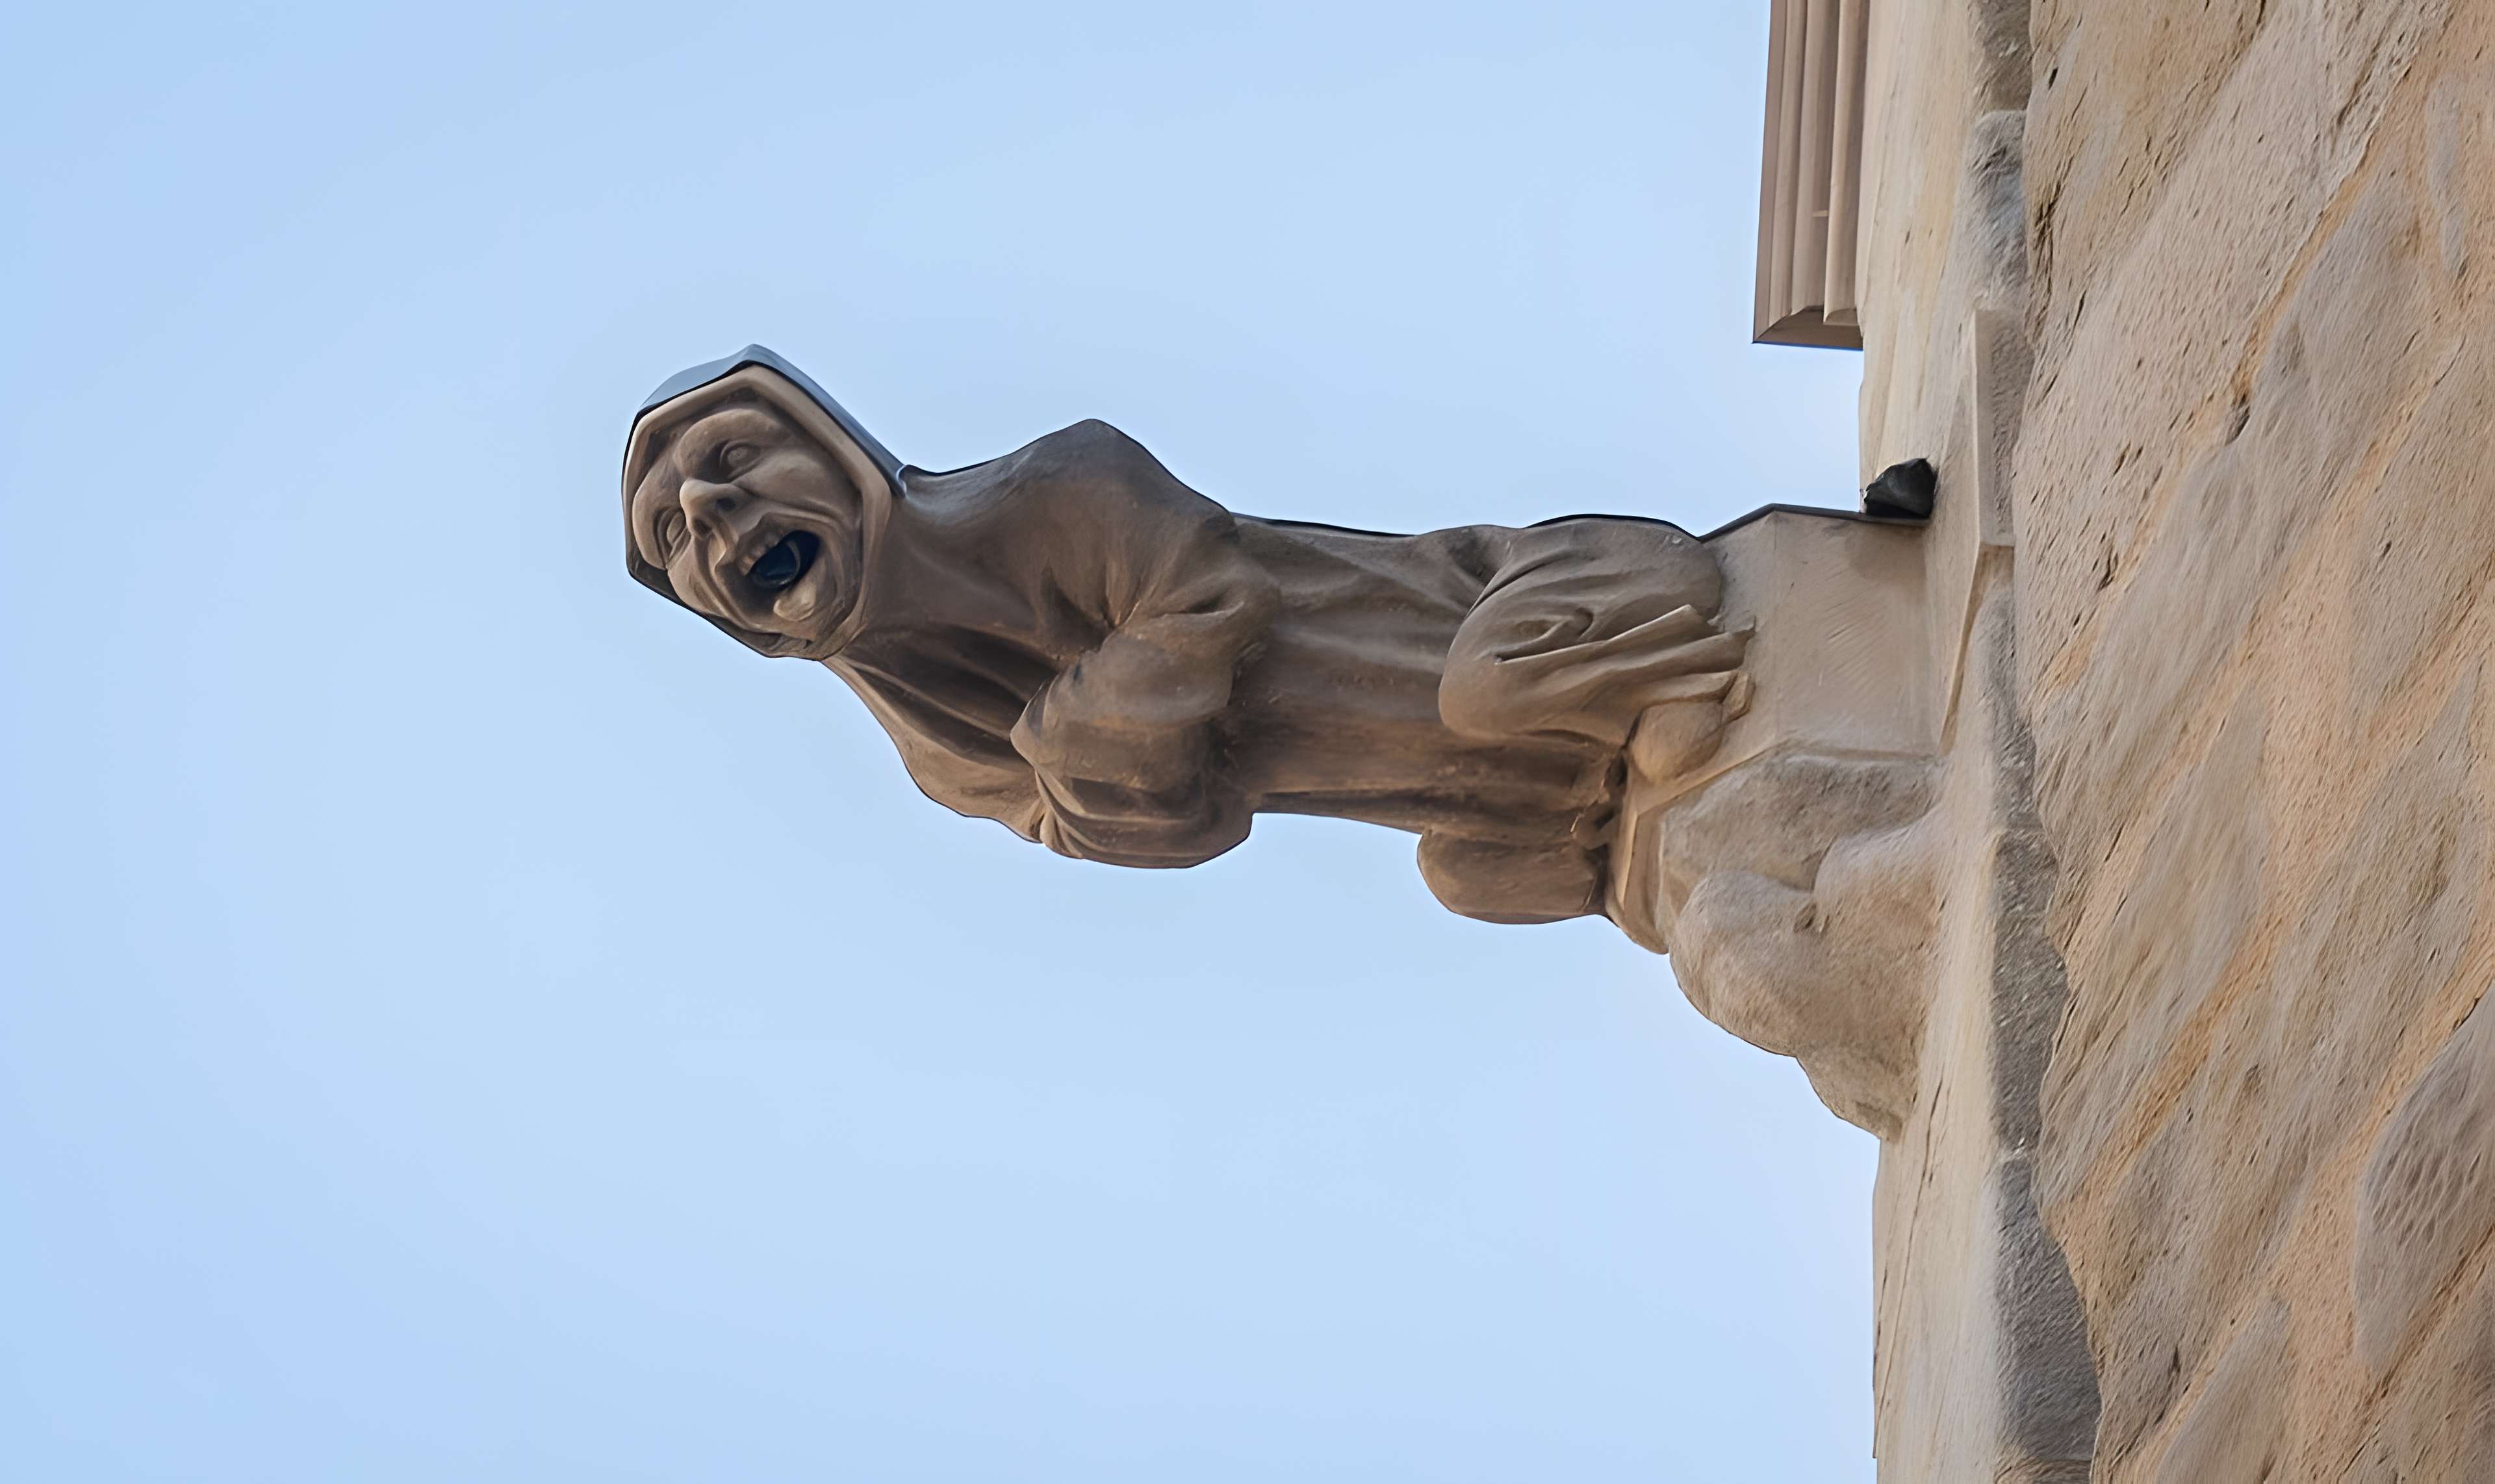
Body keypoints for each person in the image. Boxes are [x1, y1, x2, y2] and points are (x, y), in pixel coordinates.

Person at [622, 346, 1746, 925]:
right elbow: (1174, 830)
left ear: (834, 452)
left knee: (1493, 690)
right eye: (673, 531)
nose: (716, 520)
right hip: (1512, 802)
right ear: (722, 614)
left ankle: (1713, 687)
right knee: (1480, 880)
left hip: (1535, 597)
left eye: (734, 460)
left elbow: (1211, 600)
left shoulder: (1053, 489)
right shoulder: (935, 745)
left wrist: (1079, 736)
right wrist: (1083, 763)